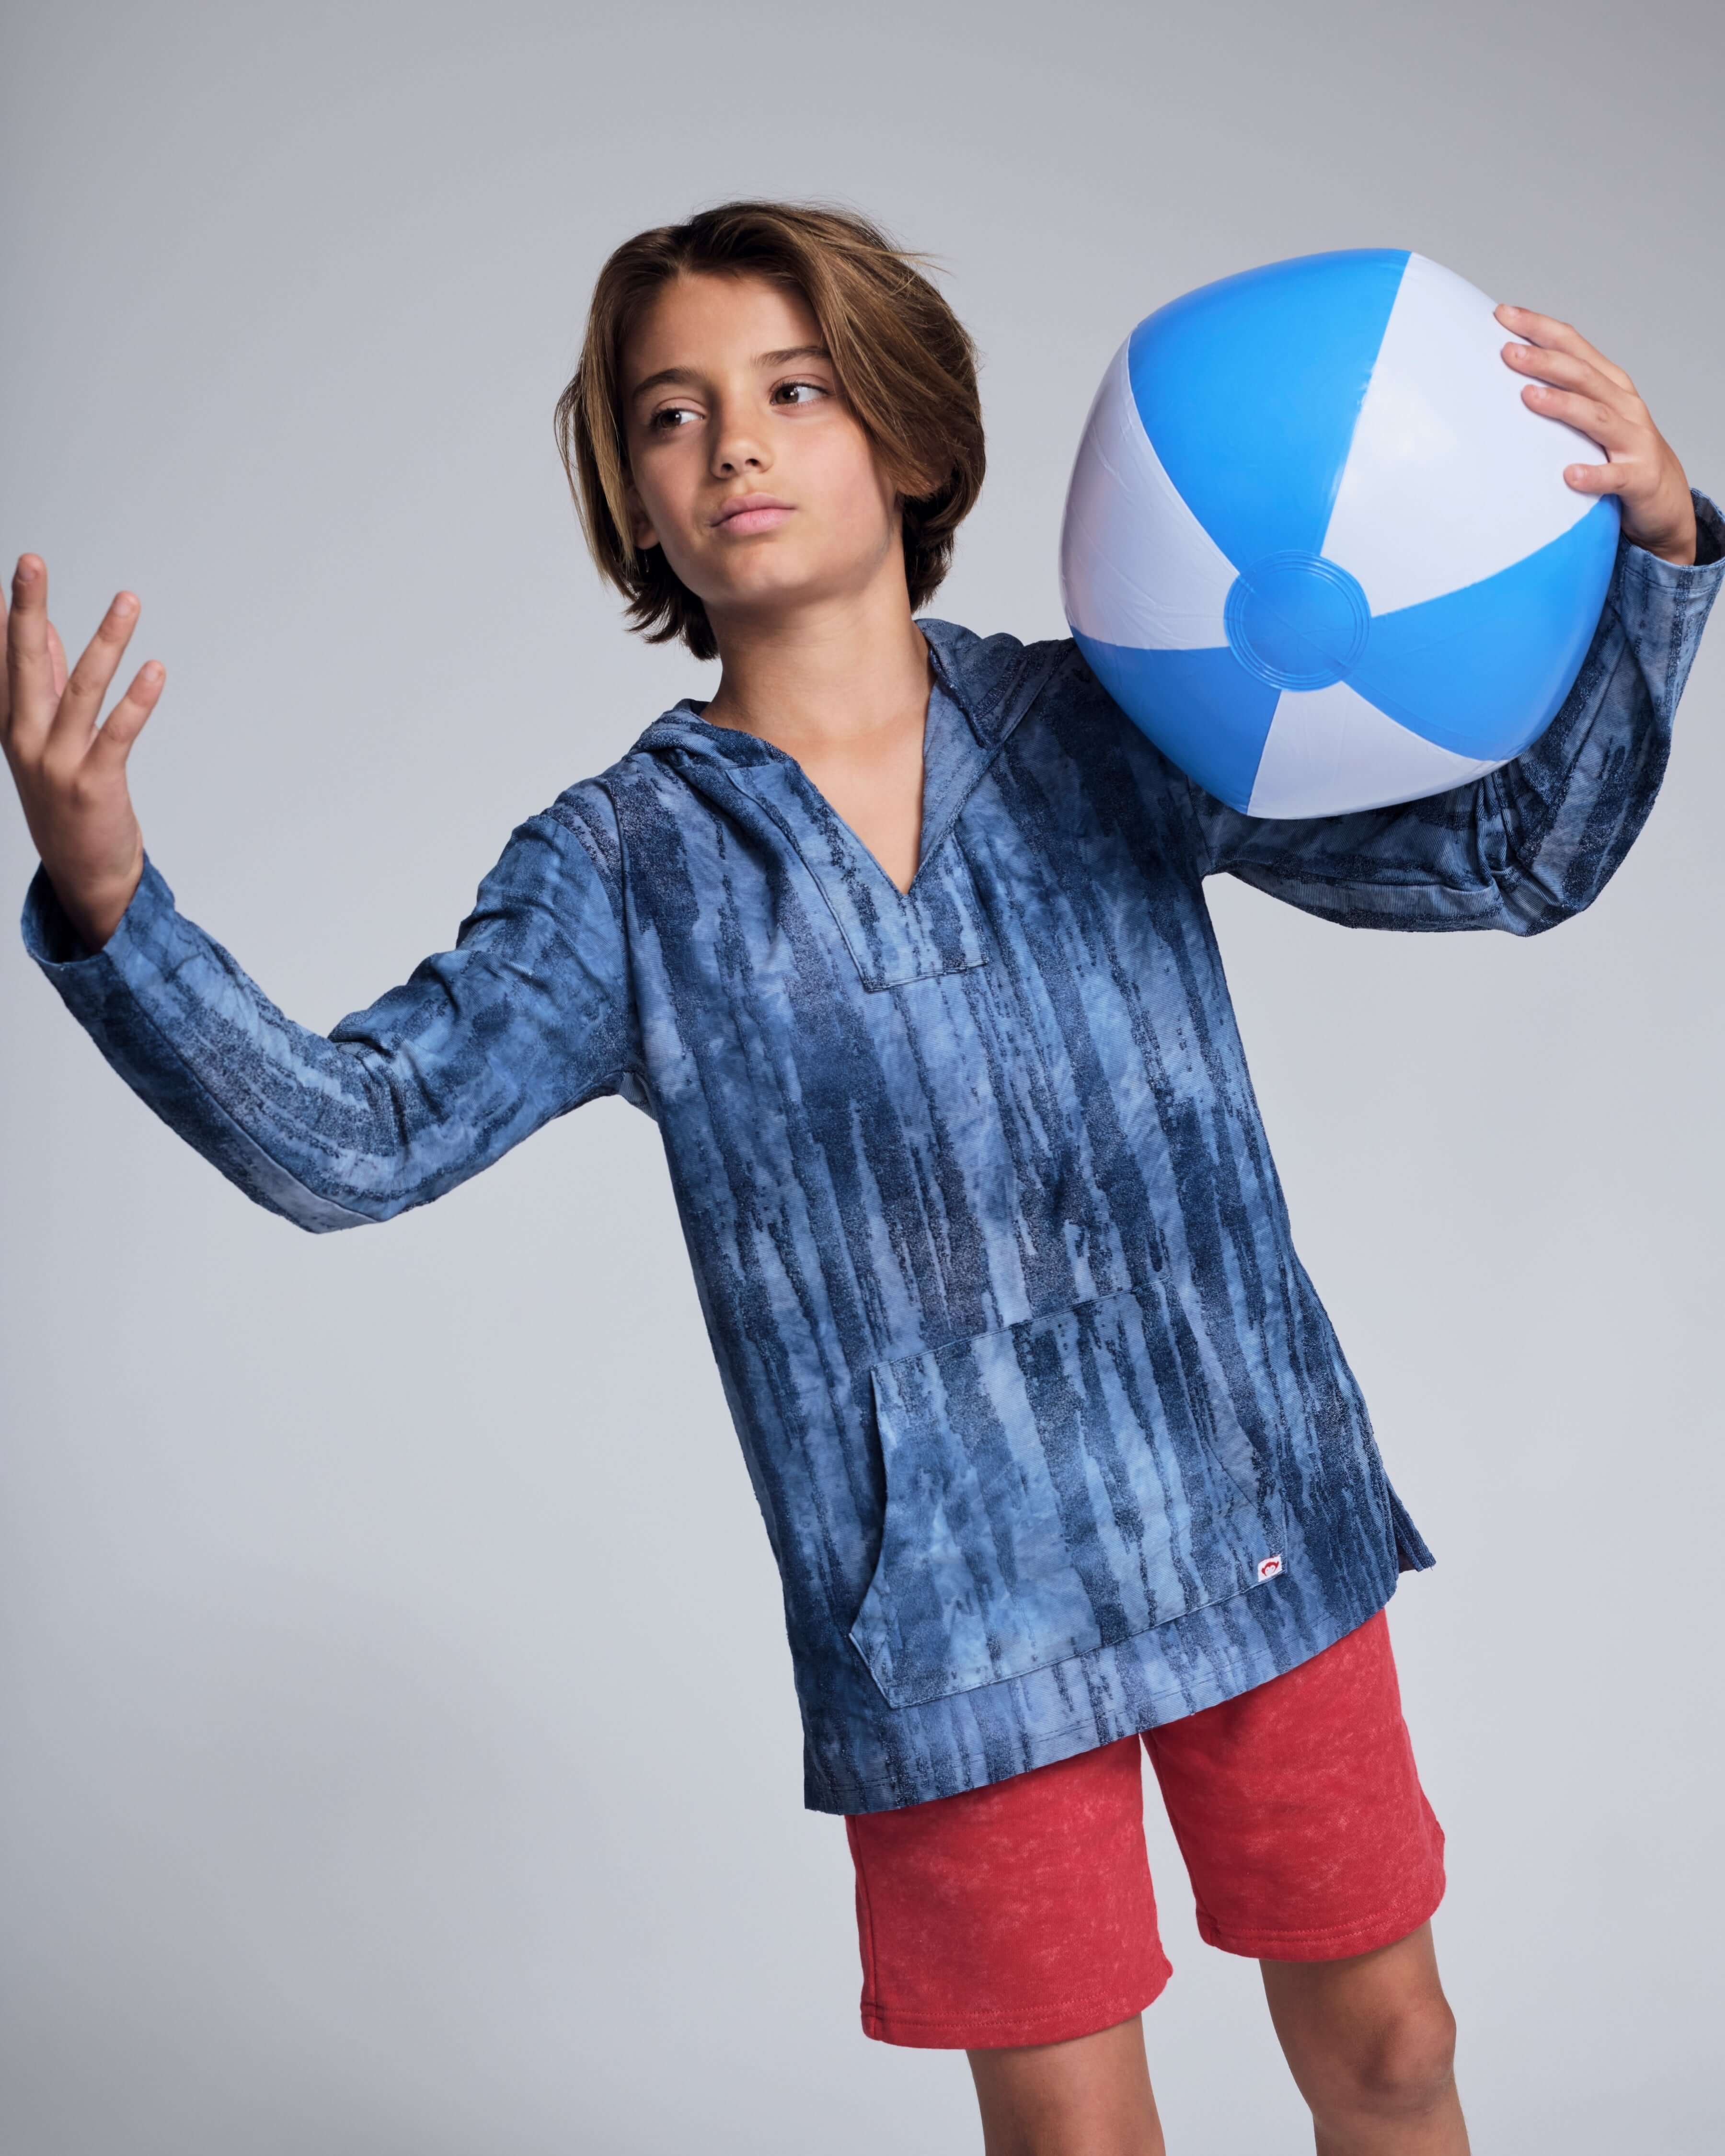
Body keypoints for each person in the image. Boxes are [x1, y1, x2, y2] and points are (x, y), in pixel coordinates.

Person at [4, 200, 1718, 2156]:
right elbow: (354, 1139)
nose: (734, 444)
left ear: (902, 438)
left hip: (1252, 1503)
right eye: (673, 413)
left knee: (1399, 2055)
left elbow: (1510, 859)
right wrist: (112, 904)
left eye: (792, 390)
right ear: (632, 497)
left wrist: (1656, 553)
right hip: (948, 1615)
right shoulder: (624, 872)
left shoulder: (1111, 724)